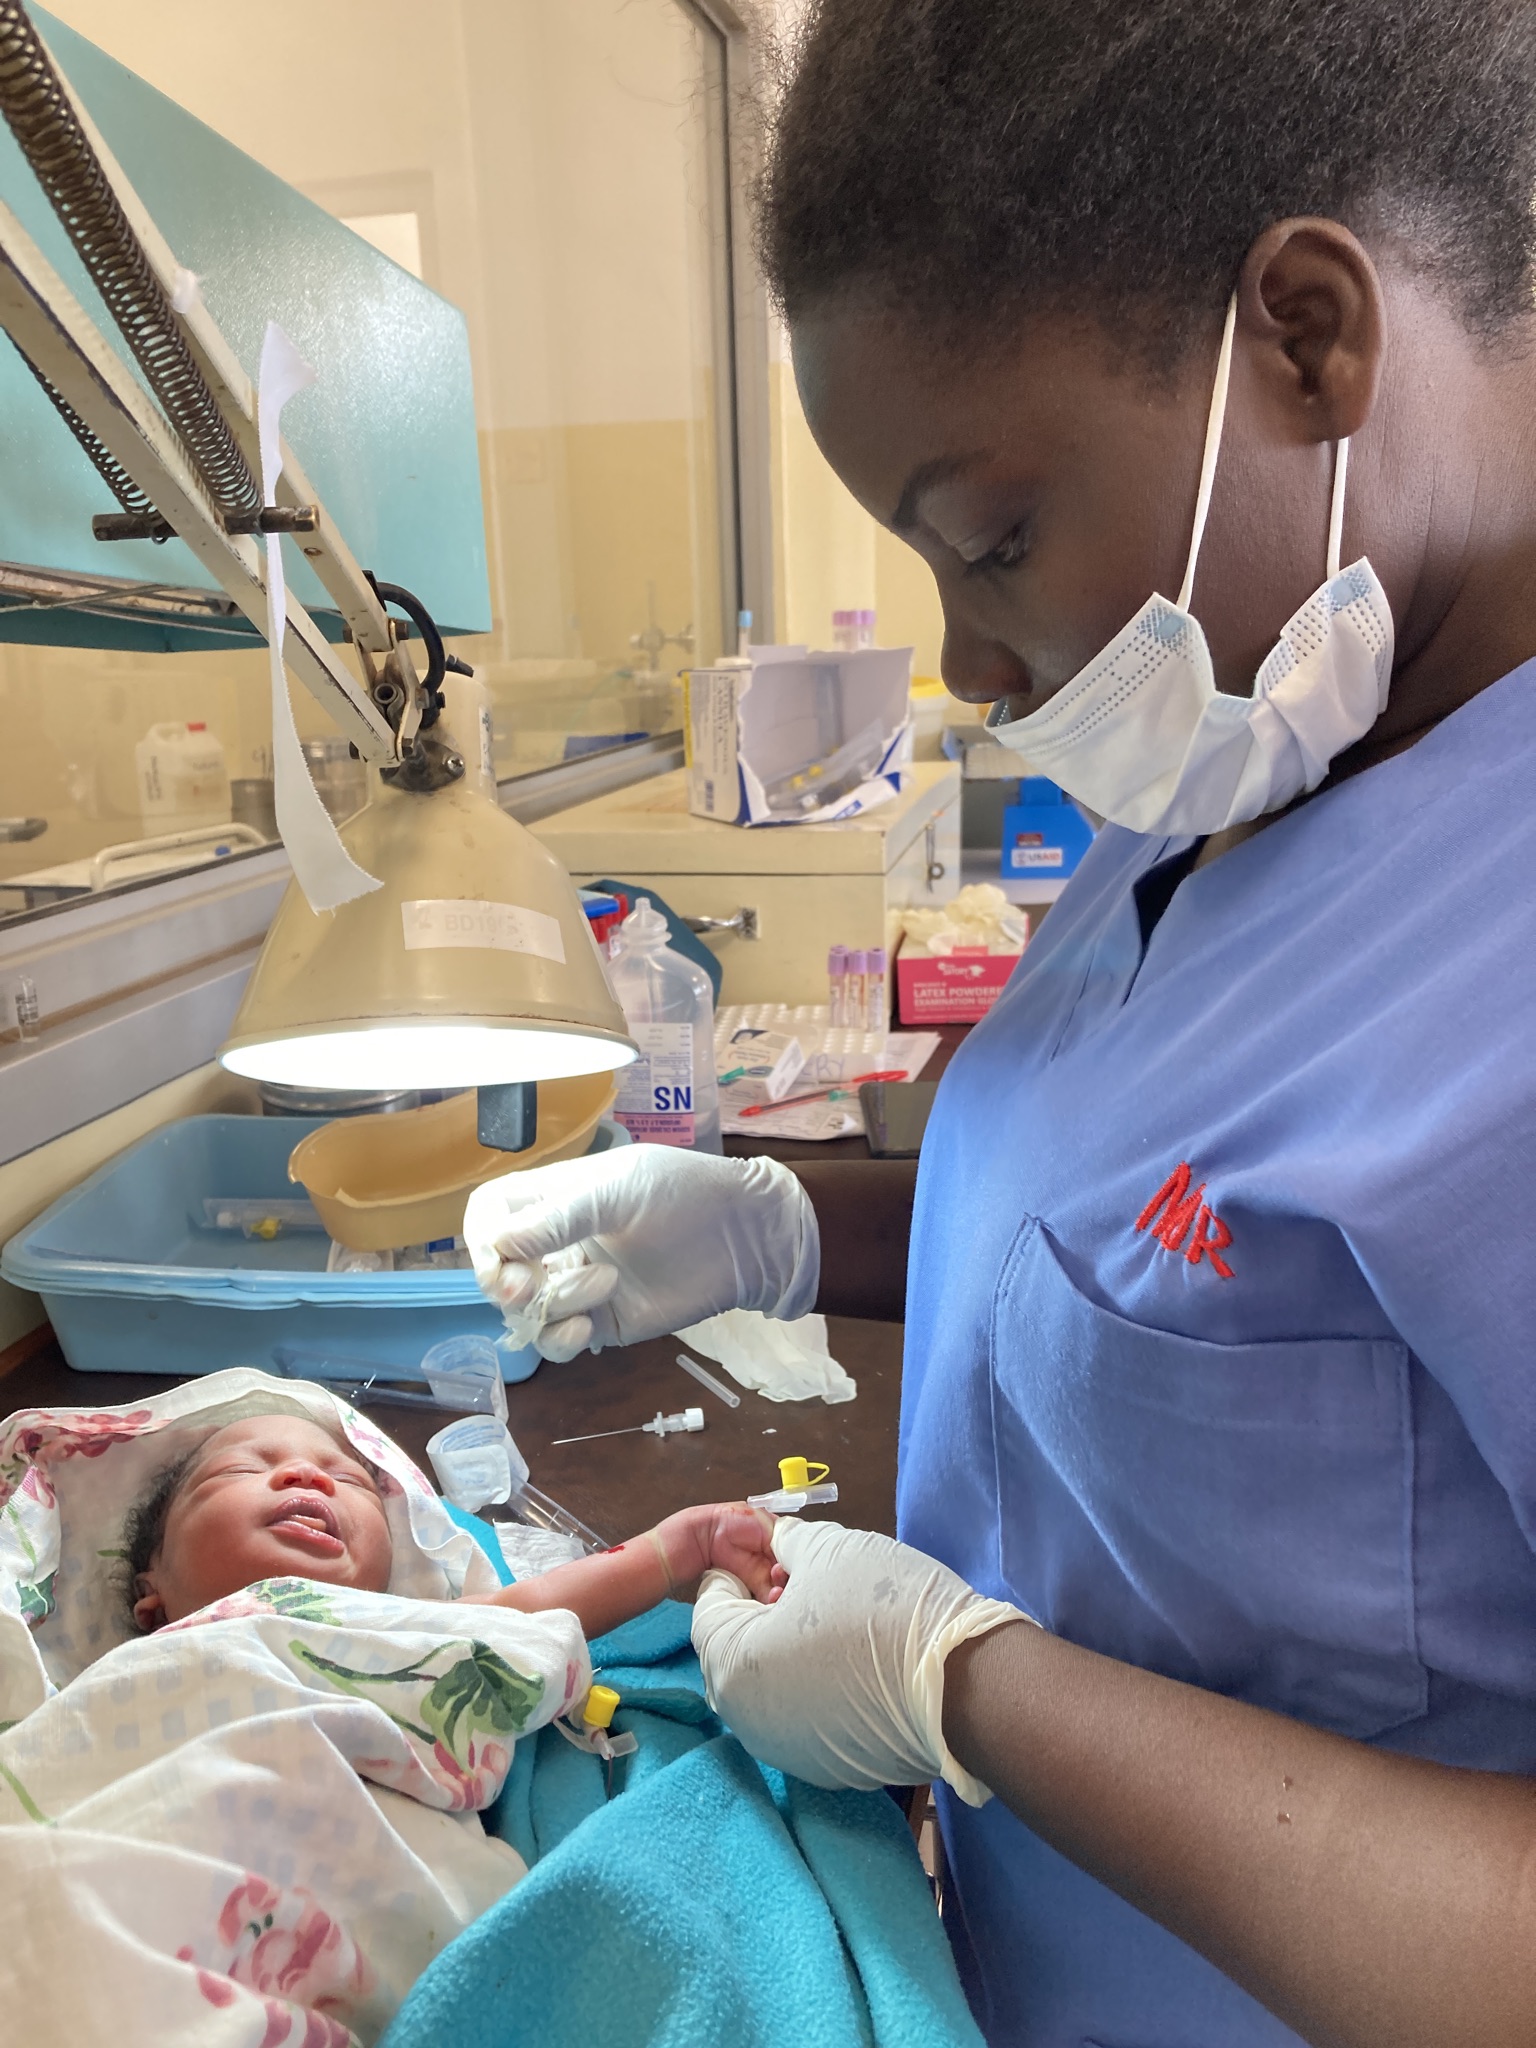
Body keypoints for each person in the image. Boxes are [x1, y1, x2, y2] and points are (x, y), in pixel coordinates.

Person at [462, 1, 1536, 2041]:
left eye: (992, 536)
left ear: (1306, 337)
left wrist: (975, 1688)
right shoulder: (1256, 748)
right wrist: (782, 1223)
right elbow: (1160, 1229)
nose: (966, 652)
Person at [124, 1413, 785, 1635]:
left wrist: (683, 1545)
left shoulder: (397, 1626)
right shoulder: (142, 1672)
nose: (312, 1476)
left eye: (350, 1479)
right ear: (151, 1602)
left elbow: (537, 1608)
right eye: (245, 1470)